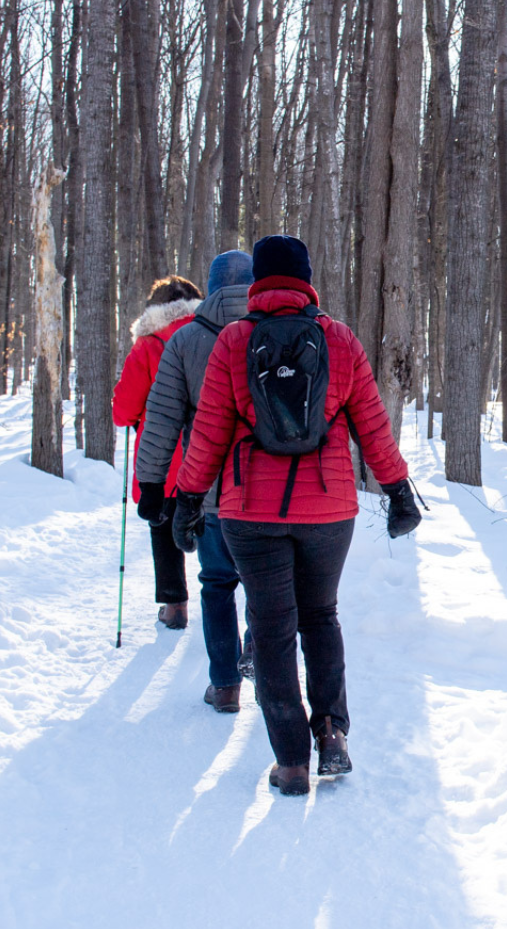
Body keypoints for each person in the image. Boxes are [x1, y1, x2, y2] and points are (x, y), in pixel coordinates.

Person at [172, 235, 422, 796]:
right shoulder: (338, 339)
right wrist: (397, 490)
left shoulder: (234, 342)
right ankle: (331, 733)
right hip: (328, 510)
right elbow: (373, 425)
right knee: (321, 617)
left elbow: (208, 432)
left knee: (271, 629)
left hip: (249, 511)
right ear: (307, 279)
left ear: (257, 281)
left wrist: (188, 501)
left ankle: (291, 764)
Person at [134, 250, 257, 713]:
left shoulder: (185, 340)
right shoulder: (277, 330)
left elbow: (162, 419)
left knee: (217, 584)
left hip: (207, 491)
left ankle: (224, 686)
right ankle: (258, 652)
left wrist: (151, 485)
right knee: (263, 585)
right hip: (268, 493)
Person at [112, 275, 203, 630]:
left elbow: (123, 412)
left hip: (162, 462)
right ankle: (227, 605)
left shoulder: (148, 345)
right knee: (216, 531)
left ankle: (174, 604)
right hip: (209, 457)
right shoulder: (213, 335)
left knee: (163, 528)